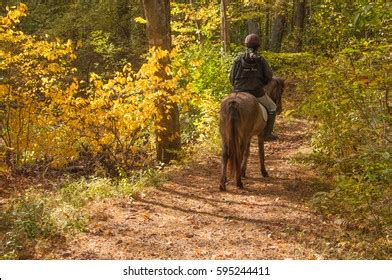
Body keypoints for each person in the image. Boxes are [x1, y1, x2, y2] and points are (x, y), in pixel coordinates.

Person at [229, 33, 278, 141]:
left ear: (245, 45)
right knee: (272, 107)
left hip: (238, 92)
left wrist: (238, 87)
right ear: (258, 46)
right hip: (256, 92)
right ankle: (267, 134)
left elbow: (231, 78)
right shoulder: (261, 60)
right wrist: (261, 84)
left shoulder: (237, 60)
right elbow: (268, 76)